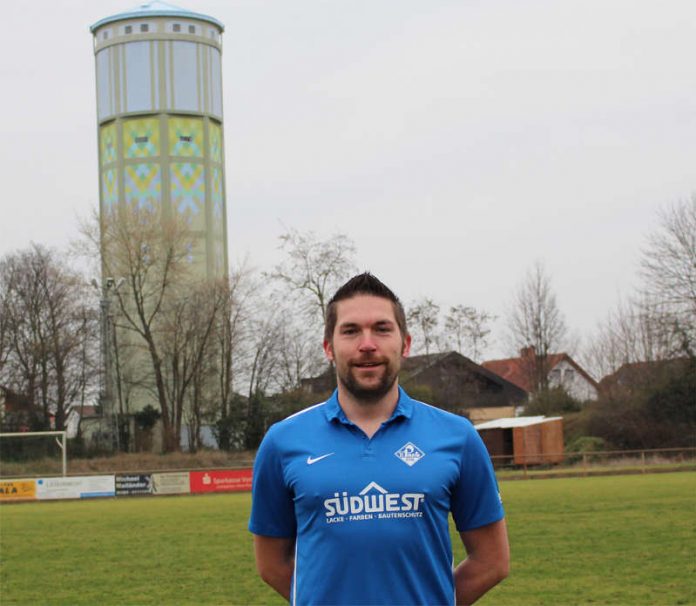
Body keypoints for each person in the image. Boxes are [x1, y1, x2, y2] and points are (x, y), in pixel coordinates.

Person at [249, 273, 509, 606]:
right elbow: (271, 564)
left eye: (382, 329)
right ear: (329, 347)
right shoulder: (282, 441)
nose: (367, 344)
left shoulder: (457, 436)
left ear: (406, 343)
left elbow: (492, 562)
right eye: (351, 330)